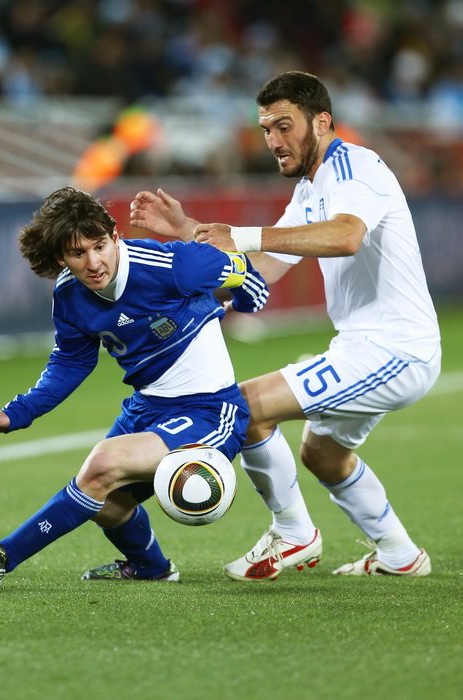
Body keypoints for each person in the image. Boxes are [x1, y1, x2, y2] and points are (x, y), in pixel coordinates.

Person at [129, 70, 441, 579]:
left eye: (284, 126)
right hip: (361, 346)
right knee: (324, 456)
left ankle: (294, 534)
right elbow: (260, 271)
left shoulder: (355, 167)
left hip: (395, 348)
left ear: (321, 121)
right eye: (266, 129)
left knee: (244, 406)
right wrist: (189, 234)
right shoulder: (311, 187)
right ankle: (400, 556)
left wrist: (243, 234)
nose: (274, 141)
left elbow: (345, 237)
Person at [0, 185, 269, 588]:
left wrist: (242, 301)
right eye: (77, 253)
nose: (93, 262)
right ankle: (152, 568)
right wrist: (15, 414)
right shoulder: (69, 295)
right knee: (104, 504)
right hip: (146, 408)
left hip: (210, 410)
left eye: (100, 246)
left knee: (103, 463)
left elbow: (243, 272)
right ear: (61, 257)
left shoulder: (173, 266)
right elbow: (71, 363)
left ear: (115, 236)